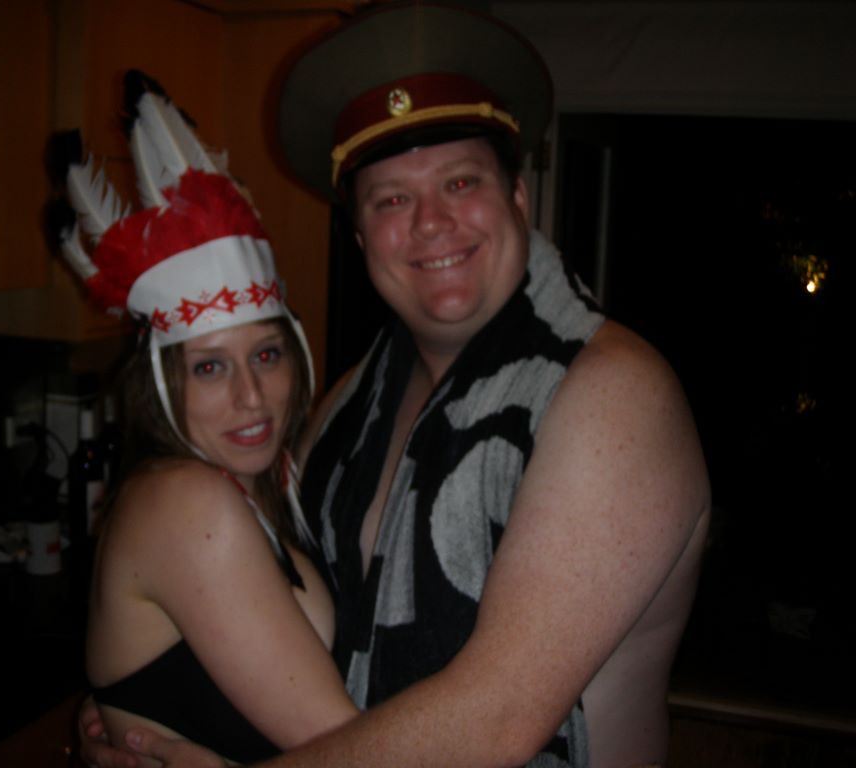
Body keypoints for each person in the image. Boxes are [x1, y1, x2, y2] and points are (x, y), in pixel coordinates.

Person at [80, 5, 710, 767]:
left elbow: (496, 722)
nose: (431, 223)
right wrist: (143, 703)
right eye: (391, 199)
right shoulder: (352, 400)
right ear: (361, 238)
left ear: (518, 198)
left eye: (460, 181)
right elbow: (245, 603)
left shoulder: (610, 396)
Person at [63, 71, 358, 766]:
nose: (251, 397)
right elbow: (354, 755)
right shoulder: (187, 503)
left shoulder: (264, 485)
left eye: (266, 355)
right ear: (162, 385)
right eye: (209, 368)